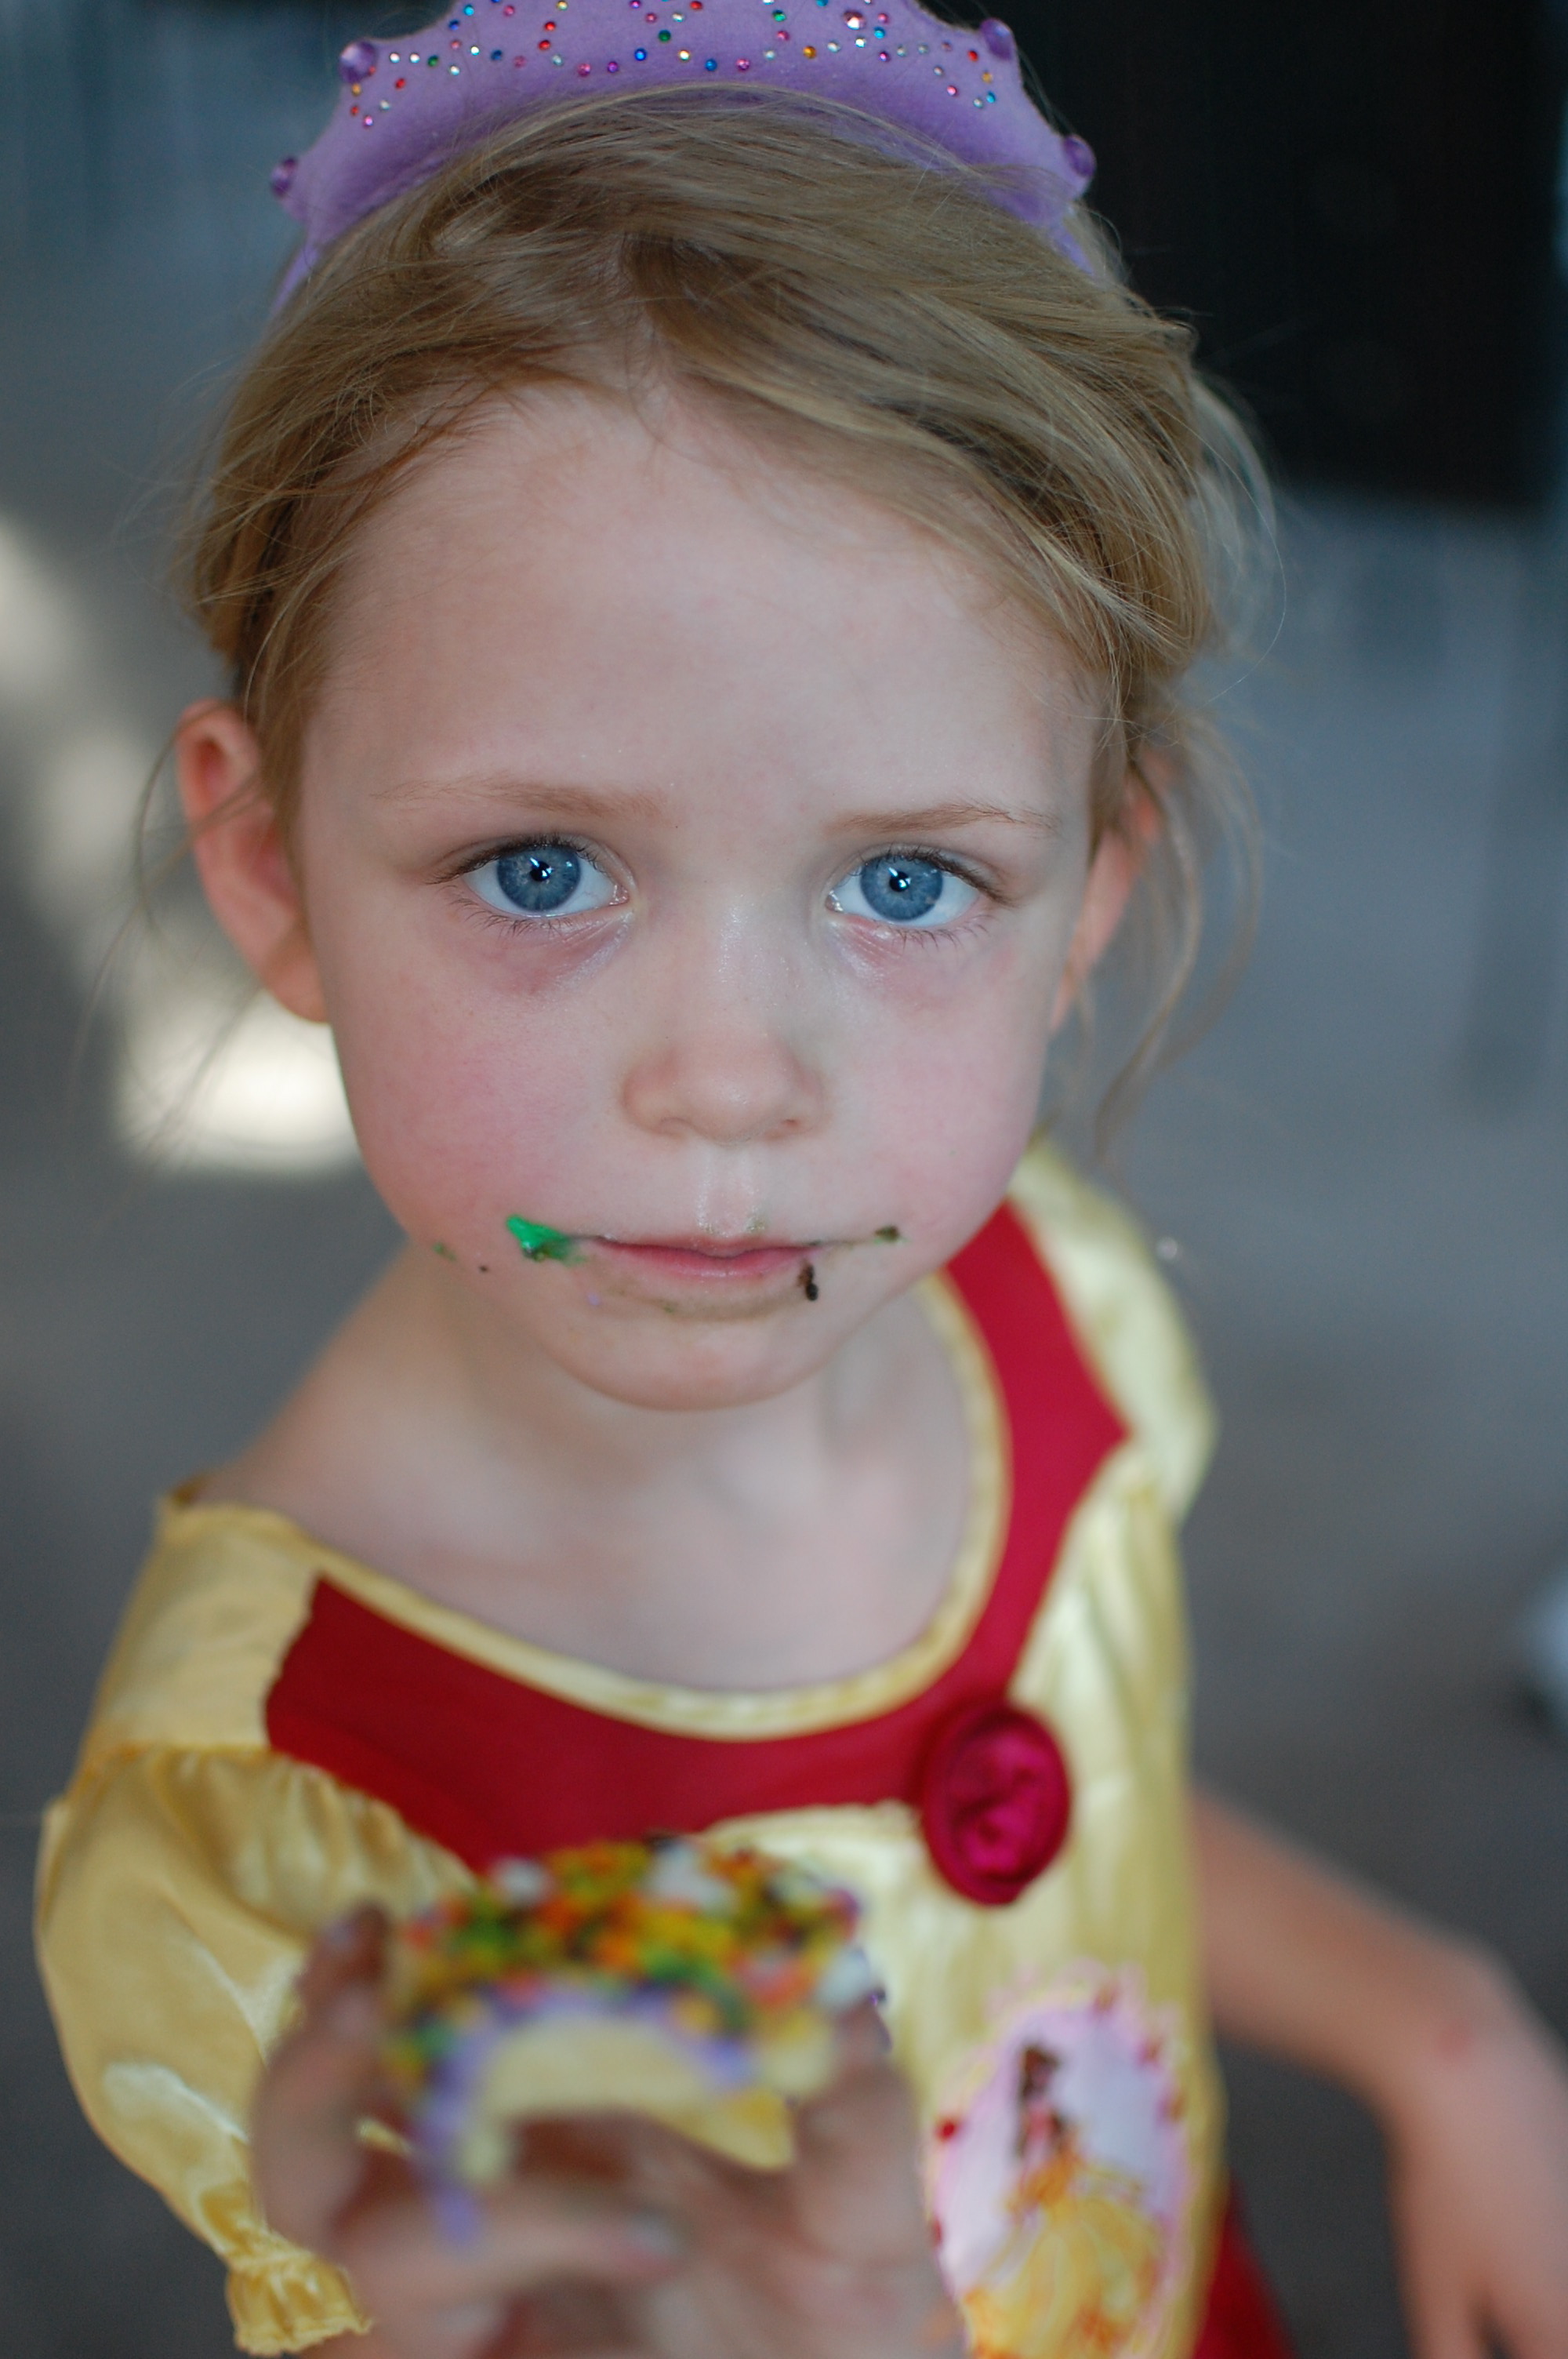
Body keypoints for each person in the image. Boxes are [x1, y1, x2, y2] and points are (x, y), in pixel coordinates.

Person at [32, 6, 1568, 2357]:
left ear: (1086, 900)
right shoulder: (289, 1813)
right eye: (542, 868)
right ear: (268, 873)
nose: (733, 1085)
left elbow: (1075, 1819)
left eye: (907, 883)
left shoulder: (1040, 1301)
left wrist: (1426, 2016)